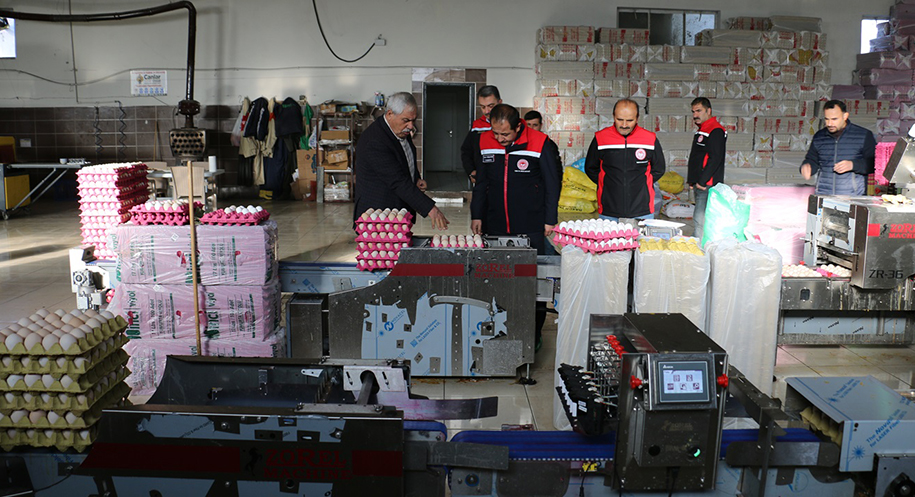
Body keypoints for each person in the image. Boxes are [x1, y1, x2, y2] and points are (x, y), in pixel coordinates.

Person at [470, 104, 561, 350]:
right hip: (495, 221)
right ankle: (498, 329)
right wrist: (476, 214)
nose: (499, 139)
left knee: (534, 281)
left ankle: (534, 333)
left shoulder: (541, 143)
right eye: (496, 134)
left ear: (518, 126)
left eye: (505, 135)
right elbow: (481, 183)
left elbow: (553, 184)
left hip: (531, 222)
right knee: (496, 277)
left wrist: (549, 219)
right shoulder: (484, 141)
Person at [353, 92, 449, 230]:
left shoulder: (400, 131)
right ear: (390, 114)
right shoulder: (375, 141)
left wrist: (415, 177)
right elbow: (397, 180)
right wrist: (430, 208)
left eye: (413, 120)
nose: (411, 126)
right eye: (406, 120)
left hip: (396, 212)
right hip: (377, 216)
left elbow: (404, 158)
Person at [584, 99, 665, 221]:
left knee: (641, 240)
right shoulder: (601, 138)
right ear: (613, 116)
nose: (624, 125)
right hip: (609, 208)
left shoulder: (649, 139)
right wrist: (608, 184)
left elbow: (659, 169)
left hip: (642, 209)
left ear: (637, 118)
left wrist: (640, 184)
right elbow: (591, 168)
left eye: (630, 120)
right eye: (620, 119)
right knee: (609, 240)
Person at [801, 100, 877, 196]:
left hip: (852, 197)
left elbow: (875, 164)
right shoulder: (819, 137)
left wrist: (853, 165)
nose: (829, 123)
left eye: (834, 119)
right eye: (827, 119)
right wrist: (807, 166)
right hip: (824, 195)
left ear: (845, 116)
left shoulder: (863, 135)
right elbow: (812, 159)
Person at [686, 97, 727, 240]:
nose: (695, 115)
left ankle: (699, 253)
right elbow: (698, 157)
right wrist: (692, 181)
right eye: (693, 112)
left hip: (706, 185)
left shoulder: (716, 130)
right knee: (699, 219)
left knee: (700, 220)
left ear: (708, 111)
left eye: (699, 111)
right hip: (700, 183)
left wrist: (702, 182)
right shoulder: (703, 130)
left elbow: (715, 158)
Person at [460, 85, 502, 184]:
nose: (487, 111)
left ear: (500, 102)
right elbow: (466, 151)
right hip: (483, 178)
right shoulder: (477, 126)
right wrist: (471, 171)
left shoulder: (510, 123)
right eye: (483, 107)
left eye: (491, 106)